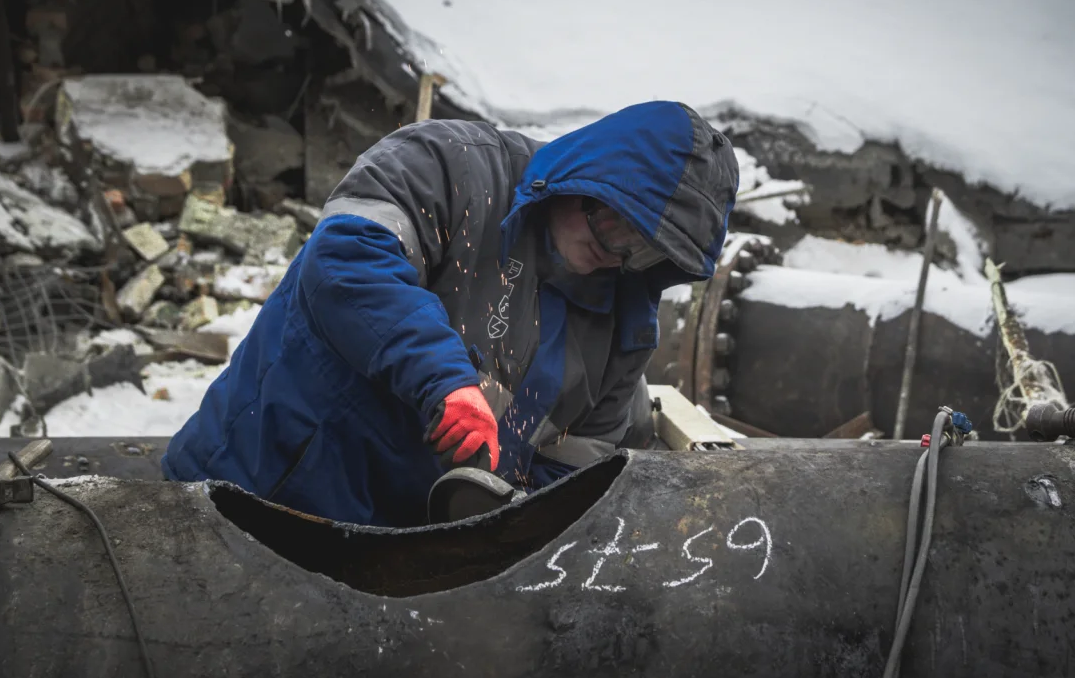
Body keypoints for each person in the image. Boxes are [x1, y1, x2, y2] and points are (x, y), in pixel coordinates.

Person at [160, 100, 739, 526]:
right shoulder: (452, 167)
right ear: (586, 178)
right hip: (247, 495)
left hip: (395, 561)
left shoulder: (622, 327)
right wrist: (445, 381)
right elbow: (345, 259)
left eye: (644, 252)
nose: (615, 256)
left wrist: (512, 520)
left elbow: (579, 466)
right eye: (615, 226)